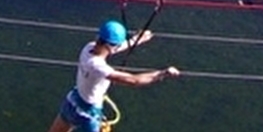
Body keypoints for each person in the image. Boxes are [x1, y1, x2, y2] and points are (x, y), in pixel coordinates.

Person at [46, 19, 178, 132]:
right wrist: (163, 73)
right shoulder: (99, 67)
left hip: (72, 102)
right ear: (112, 46)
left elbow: (112, 48)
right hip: (88, 114)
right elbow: (134, 80)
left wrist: (136, 40)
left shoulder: (88, 48)